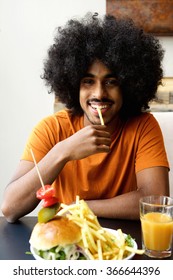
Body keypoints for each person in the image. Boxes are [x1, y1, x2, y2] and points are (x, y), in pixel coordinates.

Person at [1, 13, 170, 223]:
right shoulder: (51, 129)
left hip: (122, 246)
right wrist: (63, 151)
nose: (99, 93)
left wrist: (81, 207)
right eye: (88, 81)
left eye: (111, 82)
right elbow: (10, 208)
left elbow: (155, 203)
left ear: (128, 85)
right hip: (66, 244)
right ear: (73, 85)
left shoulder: (143, 126)